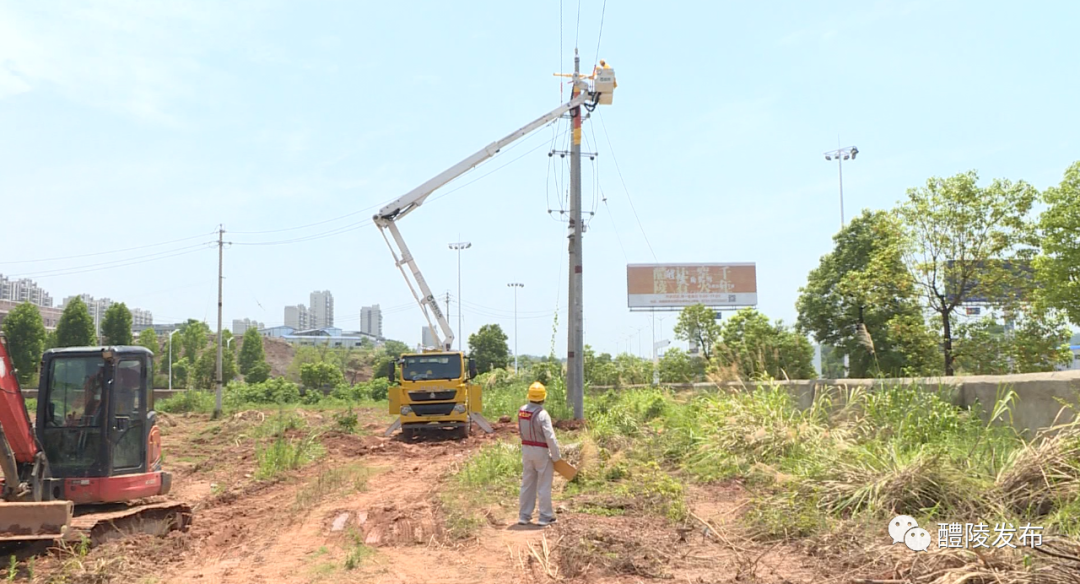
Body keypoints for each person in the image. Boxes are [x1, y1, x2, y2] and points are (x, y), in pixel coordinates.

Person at [517, 381, 561, 526]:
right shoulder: (542, 414)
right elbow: (550, 437)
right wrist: (556, 456)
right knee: (544, 485)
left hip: (526, 450)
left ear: (529, 396)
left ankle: (524, 516)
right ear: (543, 397)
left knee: (527, 484)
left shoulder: (522, 411)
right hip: (541, 451)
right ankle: (545, 517)